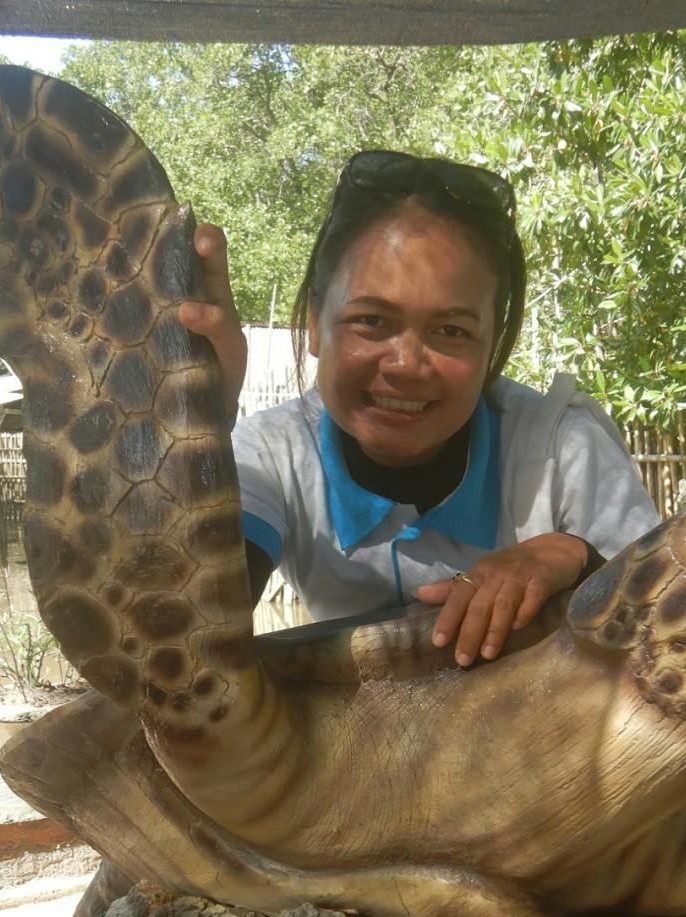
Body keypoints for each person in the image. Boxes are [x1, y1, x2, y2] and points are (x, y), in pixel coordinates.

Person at [178, 150, 661, 667]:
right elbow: (187, 635)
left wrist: (577, 558)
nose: (407, 364)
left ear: (491, 347)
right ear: (315, 323)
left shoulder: (563, 451)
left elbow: (670, 636)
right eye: (371, 320)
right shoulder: (269, 456)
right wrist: (187, 436)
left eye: (451, 331)